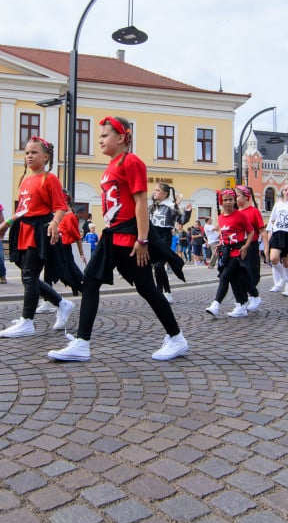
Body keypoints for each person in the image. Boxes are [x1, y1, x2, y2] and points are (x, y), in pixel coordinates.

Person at [48, 116, 189, 362]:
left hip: (129, 238)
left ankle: (176, 338)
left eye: (104, 136)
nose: (99, 140)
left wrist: (143, 240)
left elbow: (141, 202)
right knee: (91, 281)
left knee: (147, 288)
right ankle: (82, 342)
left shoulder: (130, 161)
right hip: (112, 237)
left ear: (122, 137)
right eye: (99, 136)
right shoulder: (110, 166)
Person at [0, 137, 76, 335]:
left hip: (40, 229)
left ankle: (27, 321)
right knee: (27, 276)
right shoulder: (25, 180)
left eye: (34, 152)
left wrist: (55, 224)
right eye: (27, 153)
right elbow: (22, 209)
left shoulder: (49, 178)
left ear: (46, 157)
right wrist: (7, 223)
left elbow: (60, 207)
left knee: (29, 275)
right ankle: (61, 303)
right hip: (23, 228)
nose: (29, 156)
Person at [205, 188, 255, 318]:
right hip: (226, 251)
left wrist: (246, 246)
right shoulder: (221, 217)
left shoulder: (240, 215)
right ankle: (242, 305)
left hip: (237, 251)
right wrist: (220, 244)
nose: (228, 202)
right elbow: (224, 233)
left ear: (234, 201)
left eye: (230, 199)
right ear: (221, 201)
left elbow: (251, 231)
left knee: (224, 276)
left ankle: (216, 305)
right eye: (225, 200)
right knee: (234, 279)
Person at [149, 182, 191, 302]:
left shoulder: (171, 206)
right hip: (154, 238)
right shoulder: (153, 206)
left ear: (165, 193)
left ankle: (159, 294)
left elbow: (182, 220)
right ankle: (167, 292)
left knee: (158, 266)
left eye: (157, 190)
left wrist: (187, 212)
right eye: (154, 190)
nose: (154, 192)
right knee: (158, 267)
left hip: (165, 237)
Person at [234, 185, 267, 307]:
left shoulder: (254, 211)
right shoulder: (236, 212)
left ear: (246, 197)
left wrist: (266, 249)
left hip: (251, 246)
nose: (235, 199)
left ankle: (253, 296)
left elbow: (262, 231)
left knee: (252, 273)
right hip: (238, 246)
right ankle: (244, 298)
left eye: (237, 196)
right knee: (238, 273)